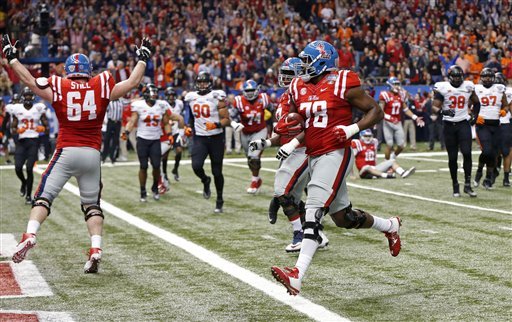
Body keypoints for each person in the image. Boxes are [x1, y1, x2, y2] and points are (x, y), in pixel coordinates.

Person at [5, 34, 154, 273]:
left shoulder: (59, 85)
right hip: (92, 154)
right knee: (92, 205)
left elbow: (30, 81)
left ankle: (30, 234)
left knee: (43, 198)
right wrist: (143, 58)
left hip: (66, 151)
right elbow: (133, 83)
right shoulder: (102, 84)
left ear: (68, 70)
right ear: (89, 70)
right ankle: (96, 249)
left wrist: (12, 58)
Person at [269, 40, 401, 296]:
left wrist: (352, 129)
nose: (302, 67)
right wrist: (292, 139)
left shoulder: (343, 81)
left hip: (336, 151)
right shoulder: (298, 86)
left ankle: (297, 275)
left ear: (322, 61)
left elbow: (376, 111)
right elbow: (304, 124)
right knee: (344, 219)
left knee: (313, 206)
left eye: (307, 61)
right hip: (313, 153)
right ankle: (389, 226)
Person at [250, 57, 329, 253]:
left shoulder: (303, 96)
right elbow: (283, 133)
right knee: (290, 195)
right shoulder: (287, 96)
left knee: (283, 191)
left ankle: (301, 234)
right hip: (291, 151)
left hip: (303, 150)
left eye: (287, 75)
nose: (283, 78)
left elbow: (309, 128)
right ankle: (315, 234)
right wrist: (266, 142)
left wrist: (293, 143)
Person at [185, 72, 239, 213]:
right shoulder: (191, 97)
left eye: (205, 82)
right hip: (200, 138)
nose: (202, 84)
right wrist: (188, 127)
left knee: (217, 171)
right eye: (200, 82)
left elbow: (226, 120)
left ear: (210, 82)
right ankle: (205, 180)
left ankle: (219, 199)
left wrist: (215, 125)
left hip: (216, 138)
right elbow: (190, 117)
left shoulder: (217, 96)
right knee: (196, 166)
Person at [123, 83, 185, 202]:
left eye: (156, 93)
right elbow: (132, 121)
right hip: (142, 139)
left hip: (155, 140)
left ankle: (155, 187)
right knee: (144, 166)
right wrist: (126, 132)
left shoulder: (161, 105)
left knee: (156, 166)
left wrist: (170, 135)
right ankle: (142, 190)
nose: (155, 95)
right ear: (146, 94)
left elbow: (166, 123)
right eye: (153, 93)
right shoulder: (139, 105)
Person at [432, 65, 480, 197]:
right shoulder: (443, 88)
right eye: (455, 77)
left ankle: (467, 185)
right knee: (452, 158)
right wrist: (443, 111)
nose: (458, 80)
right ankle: (455, 184)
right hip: (448, 125)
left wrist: (475, 116)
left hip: (463, 124)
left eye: (460, 77)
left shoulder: (468, 86)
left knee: (467, 153)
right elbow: (434, 107)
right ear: (450, 77)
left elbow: (477, 102)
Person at [10, 87, 48, 204]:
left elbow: (46, 128)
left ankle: (28, 196)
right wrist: (17, 130)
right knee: (17, 167)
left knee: (29, 167)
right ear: (22, 97)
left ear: (33, 97)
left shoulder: (38, 108)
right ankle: (24, 182)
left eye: (29, 95)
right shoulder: (17, 109)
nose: (27, 97)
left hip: (34, 141)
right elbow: (13, 127)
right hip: (22, 142)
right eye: (26, 95)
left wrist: (43, 128)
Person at [233, 80, 271, 194]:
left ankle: (254, 181)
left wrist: (274, 127)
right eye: (247, 91)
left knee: (254, 157)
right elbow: (232, 114)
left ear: (257, 90)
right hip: (245, 132)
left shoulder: (263, 98)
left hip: (260, 131)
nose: (249, 93)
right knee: (250, 159)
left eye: (252, 90)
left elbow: (273, 111)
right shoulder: (238, 101)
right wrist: (235, 122)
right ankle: (257, 178)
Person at [473, 68, 509, 189]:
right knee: (487, 151)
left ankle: (488, 177)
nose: (487, 78)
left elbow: (505, 104)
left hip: (496, 124)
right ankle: (479, 171)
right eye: (485, 76)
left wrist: (504, 110)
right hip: (482, 124)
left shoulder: (499, 89)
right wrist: (474, 116)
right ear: (481, 77)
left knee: (493, 154)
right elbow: (467, 107)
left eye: (490, 76)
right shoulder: (476, 89)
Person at [378, 77, 424, 160]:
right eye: (395, 84)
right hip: (387, 122)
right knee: (389, 144)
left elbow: (405, 109)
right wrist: (390, 118)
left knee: (401, 145)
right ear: (390, 85)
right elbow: (380, 112)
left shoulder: (400, 95)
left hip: (397, 122)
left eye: (398, 84)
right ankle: (386, 161)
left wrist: (415, 117)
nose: (397, 86)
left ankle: (393, 157)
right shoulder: (385, 95)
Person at [161, 87, 186, 182]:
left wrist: (182, 132)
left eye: (172, 96)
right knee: (165, 155)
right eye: (169, 96)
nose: (171, 97)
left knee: (179, 151)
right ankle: (164, 173)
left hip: (176, 132)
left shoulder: (179, 104)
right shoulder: (163, 105)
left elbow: (181, 117)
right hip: (166, 133)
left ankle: (175, 169)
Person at [495, 72, 511, 187]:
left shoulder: (508, 92)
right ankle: (503, 177)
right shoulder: (508, 91)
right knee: (505, 152)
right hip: (501, 123)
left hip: (500, 123)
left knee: (502, 151)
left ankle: (496, 175)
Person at [101, 98, 124, 165]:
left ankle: (112, 158)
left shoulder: (121, 101)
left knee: (116, 140)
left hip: (118, 123)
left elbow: (129, 101)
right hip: (110, 122)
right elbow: (104, 110)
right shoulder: (109, 102)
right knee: (107, 140)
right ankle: (104, 157)